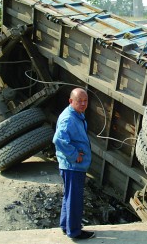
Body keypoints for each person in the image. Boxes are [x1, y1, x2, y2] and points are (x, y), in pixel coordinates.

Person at [53, 88, 95, 240]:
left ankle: (66, 226)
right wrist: (74, 155)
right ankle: (75, 232)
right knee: (74, 199)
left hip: (71, 166)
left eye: (85, 101)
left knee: (69, 196)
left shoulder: (76, 114)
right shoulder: (68, 119)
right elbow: (58, 139)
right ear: (71, 101)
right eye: (79, 101)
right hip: (72, 167)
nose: (83, 104)